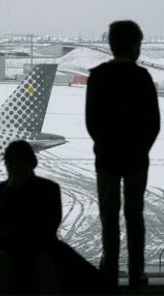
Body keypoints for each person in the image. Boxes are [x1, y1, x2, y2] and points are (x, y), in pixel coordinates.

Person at [0, 140, 106, 294]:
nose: (15, 167)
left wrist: (11, 193)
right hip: (39, 247)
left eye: (18, 163)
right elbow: (44, 230)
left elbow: (5, 229)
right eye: (11, 163)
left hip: (24, 247)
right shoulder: (49, 189)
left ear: (30, 164)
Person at [86, 20, 160, 288]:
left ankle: (109, 270)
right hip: (136, 159)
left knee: (109, 216)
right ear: (135, 47)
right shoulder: (142, 78)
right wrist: (140, 148)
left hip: (106, 158)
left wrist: (105, 144)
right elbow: (153, 123)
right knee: (134, 215)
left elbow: (91, 122)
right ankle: (136, 272)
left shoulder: (98, 76)